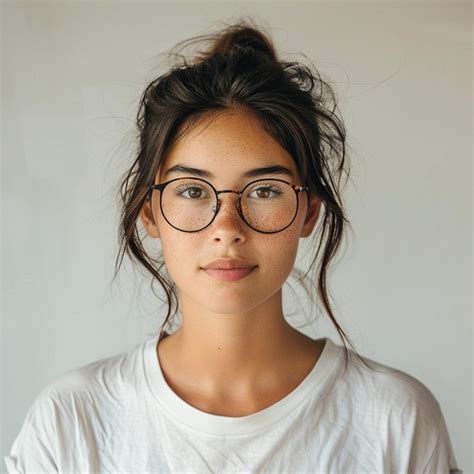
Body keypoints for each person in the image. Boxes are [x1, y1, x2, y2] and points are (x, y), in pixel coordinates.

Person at [5, 18, 462, 473]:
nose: (227, 227)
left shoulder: (395, 419)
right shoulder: (71, 422)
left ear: (308, 213)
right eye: (191, 190)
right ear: (148, 212)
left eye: (264, 190)